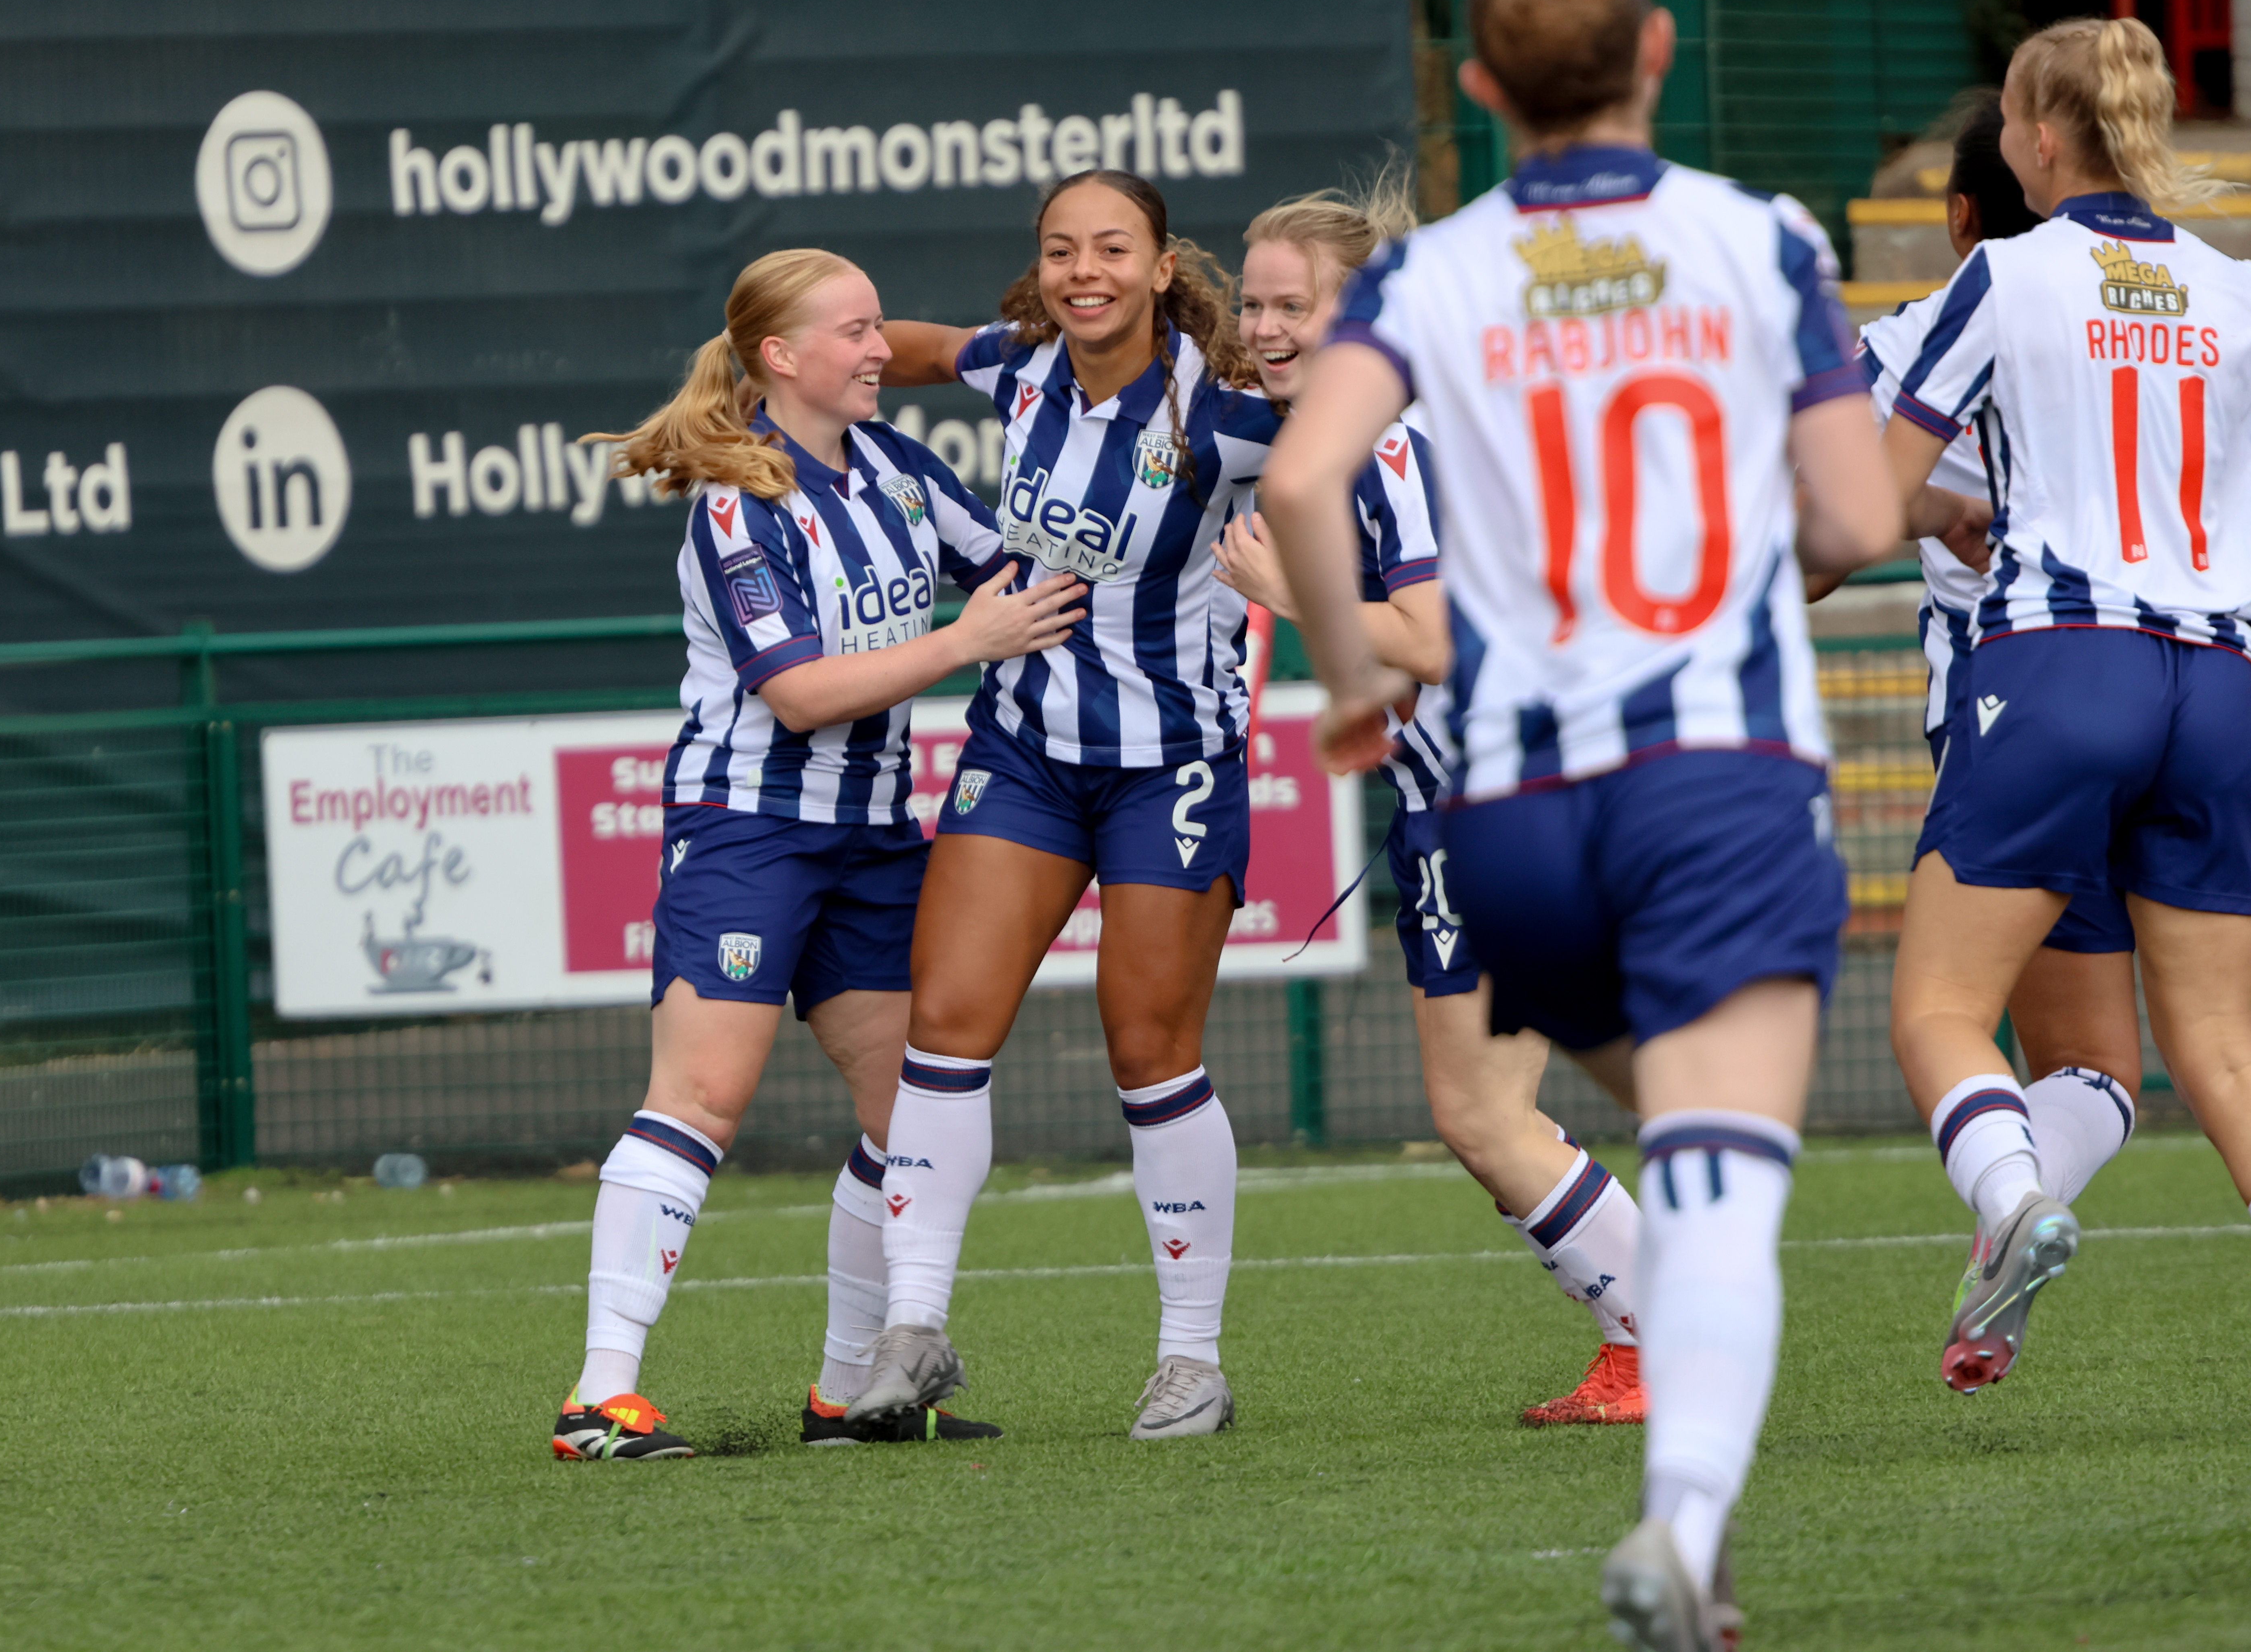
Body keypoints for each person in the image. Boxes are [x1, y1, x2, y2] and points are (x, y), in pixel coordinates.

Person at [1250, 0, 1899, 1650]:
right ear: (1657, 52)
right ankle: (1681, 1528)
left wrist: (1348, 675)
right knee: (1719, 1162)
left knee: (1648, 1138)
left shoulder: (1425, 272)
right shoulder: (1753, 239)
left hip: (1513, 810)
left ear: (1474, 85)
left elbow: (1306, 482)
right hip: (1708, 769)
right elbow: (1855, 521)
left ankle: (1690, 1521)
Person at [550, 248, 1084, 1460]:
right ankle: (598, 1398)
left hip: (874, 837)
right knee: (701, 1098)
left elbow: (1017, 574)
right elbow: (796, 694)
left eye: (874, 326)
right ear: (780, 357)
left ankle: (850, 1393)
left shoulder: (896, 464)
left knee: (918, 1112)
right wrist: (965, 642)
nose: (881, 348)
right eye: (852, 331)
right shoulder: (738, 501)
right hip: (748, 830)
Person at [1879, 16, 2251, 1411]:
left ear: (2039, 138)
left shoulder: (2005, 274)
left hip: (2058, 666)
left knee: (1938, 1008)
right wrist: (2229, 512)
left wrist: (1937, 510)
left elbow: (1864, 492)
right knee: (2232, 1057)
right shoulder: (2244, 289)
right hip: (2214, 684)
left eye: (2010, 118)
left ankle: (2010, 1202)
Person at [847, 169, 1280, 1440]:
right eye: (1058, 249)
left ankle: (1189, 1360)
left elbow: (1367, 440)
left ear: (1160, 269)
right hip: (1025, 748)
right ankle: (913, 1328)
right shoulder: (1019, 366)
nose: (1081, 270)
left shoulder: (1228, 413)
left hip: (1172, 763)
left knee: (1150, 1054)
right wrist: (826, 358)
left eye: (1110, 248)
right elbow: (914, 349)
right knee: (945, 1021)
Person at [1211, 175, 1650, 1426]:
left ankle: (1672, 1324)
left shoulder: (1387, 441)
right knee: (1495, 1109)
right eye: (1253, 302)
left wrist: (1296, 597)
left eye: (1294, 303)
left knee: (1481, 1113)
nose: (1267, 324)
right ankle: (1656, 1331)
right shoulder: (1378, 431)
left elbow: (1449, 641)